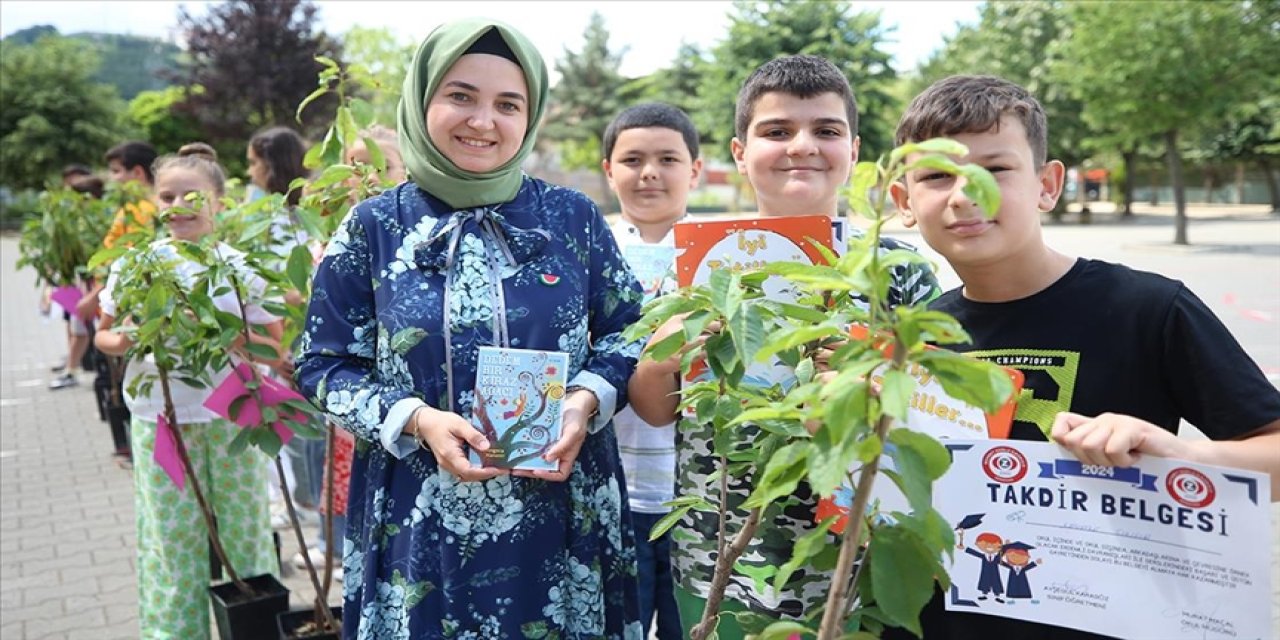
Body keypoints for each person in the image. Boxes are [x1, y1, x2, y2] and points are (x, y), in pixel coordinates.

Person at [886, 74, 1280, 639]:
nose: (964, 195)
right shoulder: (909, 340)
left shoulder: (1149, 309)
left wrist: (1184, 457)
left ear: (1047, 185)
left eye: (995, 169)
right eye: (935, 176)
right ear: (904, 202)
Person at [295, 19, 645, 638]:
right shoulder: (374, 227)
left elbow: (631, 330)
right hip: (418, 513)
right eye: (461, 96)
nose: (484, 121)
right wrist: (416, 419)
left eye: (508, 104)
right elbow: (322, 364)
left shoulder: (572, 218)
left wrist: (585, 400)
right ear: (422, 99)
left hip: (562, 509)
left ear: (529, 116)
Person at [626, 55, 941, 638]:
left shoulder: (896, 269)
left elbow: (939, 413)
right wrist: (661, 356)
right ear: (739, 152)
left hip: (856, 563)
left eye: (826, 130)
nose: (802, 146)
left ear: (854, 149)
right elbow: (656, 409)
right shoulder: (696, 265)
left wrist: (868, 383)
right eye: (776, 131)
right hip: (716, 556)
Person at [94, 142, 281, 639]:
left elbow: (272, 348)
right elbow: (103, 335)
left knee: (246, 535)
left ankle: (256, 631)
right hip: (162, 420)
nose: (178, 206)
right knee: (172, 541)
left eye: (191, 196)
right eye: (167, 197)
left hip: (234, 417)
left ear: (219, 202)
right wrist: (132, 337)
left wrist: (221, 330)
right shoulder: (137, 266)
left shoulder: (239, 268)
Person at [602, 102, 702, 640]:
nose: (649, 173)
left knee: (691, 626)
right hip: (611, 488)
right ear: (608, 170)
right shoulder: (589, 252)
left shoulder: (722, 257)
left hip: (699, 496)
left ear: (696, 170)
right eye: (632, 160)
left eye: (668, 159)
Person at [291, 125, 407, 575]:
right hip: (354, 389)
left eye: (382, 165)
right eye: (355, 166)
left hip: (404, 395)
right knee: (341, 470)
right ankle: (338, 546)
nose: (368, 176)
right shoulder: (334, 238)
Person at [48, 175, 107, 391]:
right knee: (78, 326)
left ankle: (79, 371)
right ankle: (72, 369)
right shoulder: (78, 223)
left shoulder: (101, 221)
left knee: (85, 328)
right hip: (85, 285)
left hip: (99, 286)